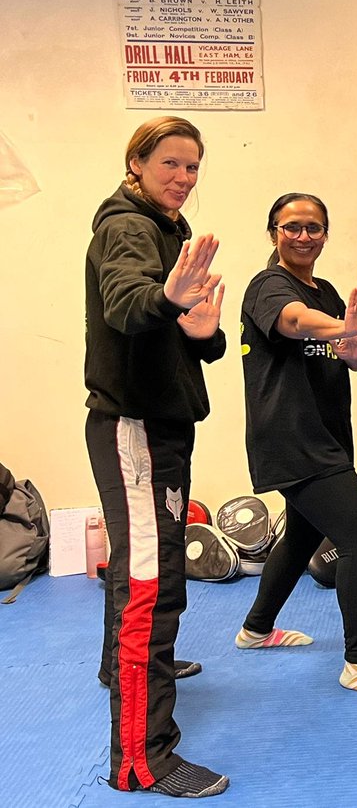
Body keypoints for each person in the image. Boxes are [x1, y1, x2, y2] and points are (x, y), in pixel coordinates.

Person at [84, 116, 228, 797]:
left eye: (193, 167)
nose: (183, 177)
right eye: (171, 163)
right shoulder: (127, 226)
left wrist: (203, 332)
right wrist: (165, 297)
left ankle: (125, 670)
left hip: (163, 424)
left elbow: (177, 333)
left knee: (158, 576)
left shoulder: (166, 230)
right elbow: (125, 303)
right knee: (147, 587)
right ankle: (141, 759)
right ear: (135, 162)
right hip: (133, 427)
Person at [236, 193, 357, 698]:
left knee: (301, 535)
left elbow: (350, 357)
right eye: (292, 226)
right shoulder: (269, 286)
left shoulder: (330, 291)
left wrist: (355, 345)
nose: (303, 236)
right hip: (292, 437)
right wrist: (344, 328)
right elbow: (293, 321)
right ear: (273, 231)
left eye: (314, 228)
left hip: (327, 434)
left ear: (325, 234)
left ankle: (256, 628)